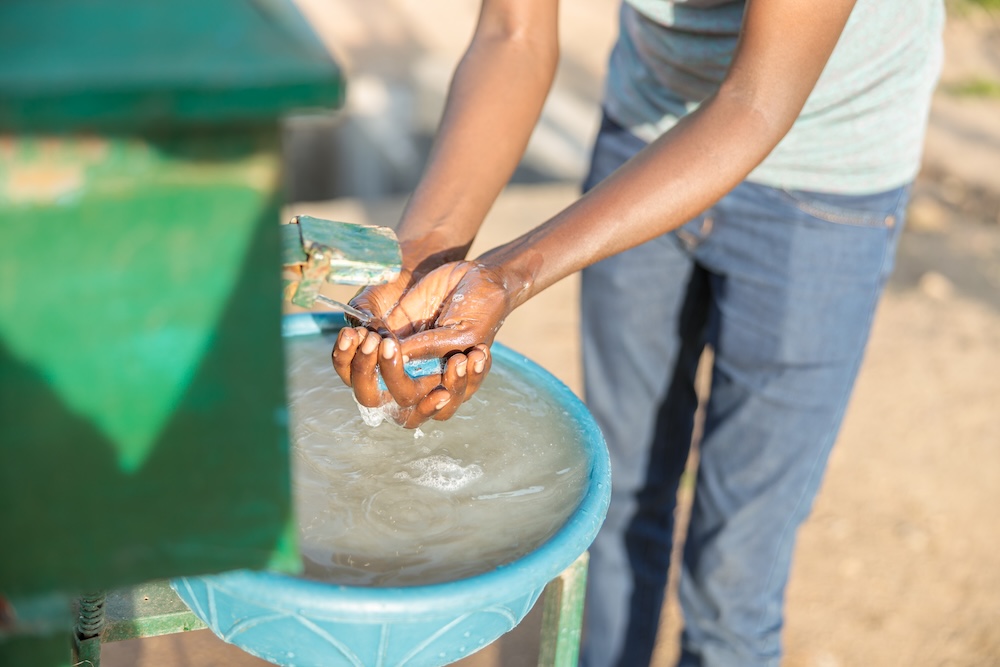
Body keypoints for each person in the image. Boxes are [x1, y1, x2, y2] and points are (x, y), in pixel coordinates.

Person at [331, 0, 945, 664]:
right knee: (611, 504)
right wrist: (423, 258)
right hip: (646, 128)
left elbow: (756, 101)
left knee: (736, 574)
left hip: (827, 173)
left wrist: (506, 276)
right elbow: (514, 34)